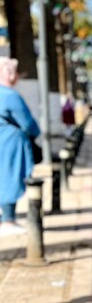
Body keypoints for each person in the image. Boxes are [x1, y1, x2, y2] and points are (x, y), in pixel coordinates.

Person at [0, 57, 40, 235]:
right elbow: (28, 123)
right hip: (9, 145)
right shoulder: (9, 96)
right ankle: (8, 220)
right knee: (10, 178)